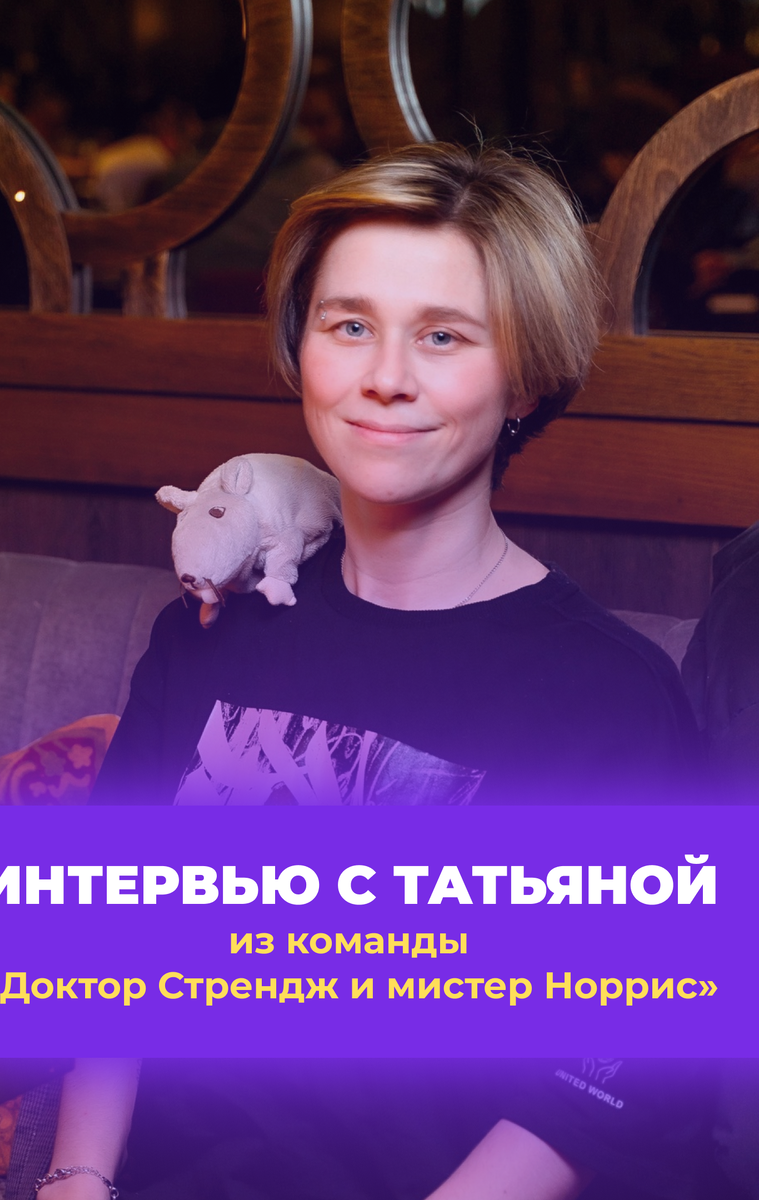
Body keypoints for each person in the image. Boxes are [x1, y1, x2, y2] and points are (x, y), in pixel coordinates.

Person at [36, 144, 711, 1200]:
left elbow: (593, 1082)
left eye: (444, 336)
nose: (385, 377)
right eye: (349, 325)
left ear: (526, 377)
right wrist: (76, 1179)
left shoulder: (611, 701)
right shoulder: (210, 633)